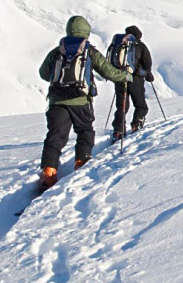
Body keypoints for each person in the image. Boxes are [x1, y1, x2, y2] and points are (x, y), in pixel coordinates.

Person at [38, 16, 132, 190]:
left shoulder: (57, 51)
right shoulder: (89, 51)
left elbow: (44, 73)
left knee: (55, 136)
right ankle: (81, 164)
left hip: (57, 101)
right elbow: (108, 71)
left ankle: (48, 174)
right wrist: (125, 76)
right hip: (81, 101)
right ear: (86, 32)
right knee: (85, 131)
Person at [111, 25, 154, 141]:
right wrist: (148, 74)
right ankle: (136, 123)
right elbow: (147, 63)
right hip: (135, 79)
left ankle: (118, 130)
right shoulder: (139, 45)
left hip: (120, 78)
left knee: (122, 106)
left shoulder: (119, 44)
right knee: (141, 105)